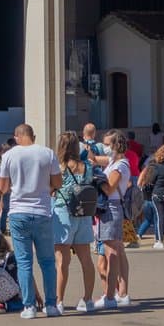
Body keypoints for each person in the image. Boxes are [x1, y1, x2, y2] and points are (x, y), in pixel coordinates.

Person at [0, 123, 61, 319]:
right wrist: (46, 189)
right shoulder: (47, 153)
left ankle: (29, 306)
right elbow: (58, 182)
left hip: (18, 211)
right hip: (42, 210)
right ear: (33, 135)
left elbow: (3, 187)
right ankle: (51, 304)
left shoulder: (9, 156)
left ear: (17, 137)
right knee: (48, 261)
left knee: (24, 262)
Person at [53, 132, 99, 311]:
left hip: (64, 212)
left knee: (62, 261)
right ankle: (87, 299)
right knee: (86, 259)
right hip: (84, 213)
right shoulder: (86, 166)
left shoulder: (61, 167)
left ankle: (59, 301)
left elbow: (54, 187)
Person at [94, 130, 132, 308]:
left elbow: (109, 188)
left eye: (108, 144)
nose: (106, 148)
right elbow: (95, 159)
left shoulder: (120, 165)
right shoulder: (113, 161)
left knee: (112, 251)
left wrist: (97, 179)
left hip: (111, 207)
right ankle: (121, 293)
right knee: (118, 250)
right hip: (113, 207)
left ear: (116, 145)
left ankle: (110, 295)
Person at [137, 144, 164, 248]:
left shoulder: (155, 166)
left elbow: (150, 180)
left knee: (160, 216)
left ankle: (160, 241)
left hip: (158, 193)